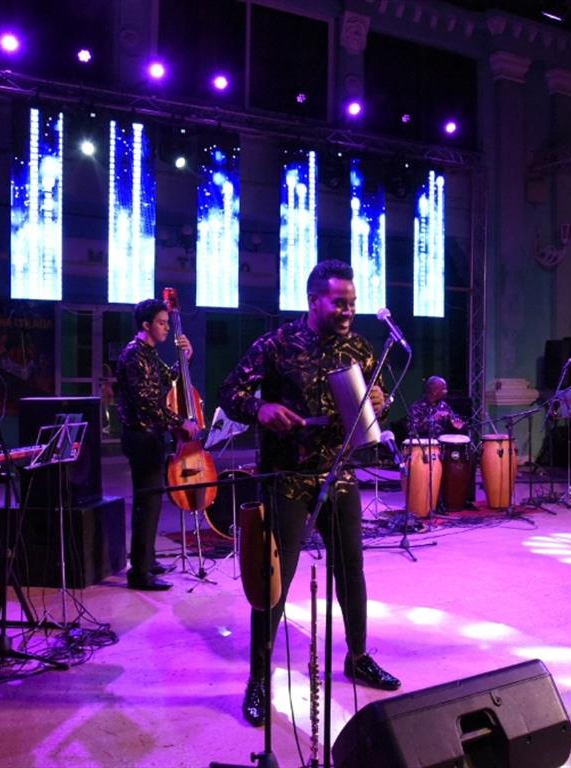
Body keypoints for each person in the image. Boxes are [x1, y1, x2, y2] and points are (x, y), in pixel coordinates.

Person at [218, 259, 401, 728]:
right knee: (273, 581)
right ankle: (260, 678)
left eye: (352, 303)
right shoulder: (276, 345)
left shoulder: (359, 347)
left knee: (351, 570)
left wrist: (380, 402)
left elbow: (374, 401)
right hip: (287, 478)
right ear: (313, 300)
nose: (348, 311)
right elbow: (230, 391)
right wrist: (261, 408)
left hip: (338, 473)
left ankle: (358, 657)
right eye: (339, 303)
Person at [116, 298, 195, 591]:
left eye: (167, 323)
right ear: (146, 325)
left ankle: (147, 561)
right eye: (161, 323)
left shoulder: (149, 352)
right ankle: (140, 573)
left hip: (151, 436)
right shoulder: (133, 354)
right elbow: (147, 404)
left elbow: (170, 377)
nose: (166, 328)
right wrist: (180, 422)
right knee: (146, 505)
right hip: (141, 436)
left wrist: (186, 356)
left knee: (151, 503)